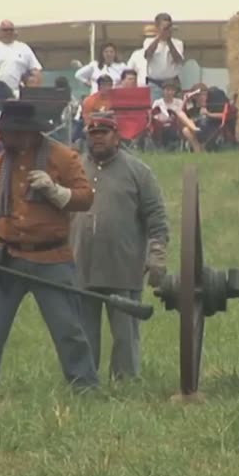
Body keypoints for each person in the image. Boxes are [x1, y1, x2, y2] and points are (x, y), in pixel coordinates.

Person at [0, 97, 98, 393]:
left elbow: (85, 198)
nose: (3, 137)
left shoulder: (63, 158)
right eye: (2, 131)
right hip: (6, 256)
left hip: (52, 257)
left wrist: (54, 190)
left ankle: (84, 387)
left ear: (28, 132)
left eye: (8, 131)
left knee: (69, 329)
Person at [70, 111, 169, 380]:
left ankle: (125, 383)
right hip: (82, 266)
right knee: (83, 333)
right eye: (93, 134)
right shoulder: (75, 169)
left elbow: (157, 219)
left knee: (125, 336)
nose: (98, 138)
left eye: (104, 133)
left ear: (117, 136)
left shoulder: (138, 172)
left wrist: (157, 255)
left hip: (123, 266)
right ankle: (85, 381)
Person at [141, 13, 184, 97]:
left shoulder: (178, 43)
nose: (167, 30)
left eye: (168, 27)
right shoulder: (148, 41)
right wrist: (159, 37)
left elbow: (178, 60)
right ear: (157, 27)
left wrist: (169, 41)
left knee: (175, 108)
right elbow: (147, 55)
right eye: (164, 27)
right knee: (156, 109)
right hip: (155, 84)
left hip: (173, 83)